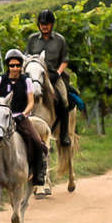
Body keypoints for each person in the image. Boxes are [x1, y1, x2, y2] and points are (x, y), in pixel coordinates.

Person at [0, 49, 48, 188]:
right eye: (12, 65)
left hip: (20, 118)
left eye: (18, 65)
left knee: (37, 141)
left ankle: (38, 173)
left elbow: (31, 102)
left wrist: (23, 115)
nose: (15, 68)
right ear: (8, 66)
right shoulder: (0, 80)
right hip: (1, 119)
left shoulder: (27, 81)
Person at [25, 9, 74, 148]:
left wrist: (58, 73)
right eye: (42, 24)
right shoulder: (32, 39)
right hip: (36, 74)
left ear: (52, 25)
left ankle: (64, 135)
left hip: (54, 75)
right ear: (38, 25)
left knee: (64, 100)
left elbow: (65, 60)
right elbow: (27, 57)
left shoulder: (60, 40)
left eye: (47, 24)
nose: (44, 26)